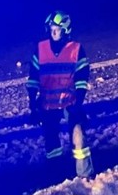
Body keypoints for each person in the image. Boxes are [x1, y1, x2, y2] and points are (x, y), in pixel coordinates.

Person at [26, 11, 94, 180]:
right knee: (51, 141)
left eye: (57, 29)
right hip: (47, 104)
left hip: (69, 103)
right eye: (51, 29)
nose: (53, 32)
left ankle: (85, 174)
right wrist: (32, 104)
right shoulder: (40, 49)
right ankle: (55, 174)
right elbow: (33, 78)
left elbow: (81, 78)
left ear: (66, 30)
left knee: (78, 136)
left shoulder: (76, 49)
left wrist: (78, 103)